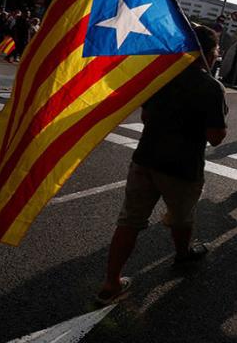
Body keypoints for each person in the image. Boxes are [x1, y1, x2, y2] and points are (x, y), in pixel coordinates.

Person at [96, 25, 228, 305]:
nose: (217, 55)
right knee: (182, 217)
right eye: (216, 50)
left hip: (145, 158)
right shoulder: (211, 88)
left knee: (129, 220)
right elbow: (216, 138)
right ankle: (182, 254)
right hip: (182, 167)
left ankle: (111, 281)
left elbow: (146, 116)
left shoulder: (160, 76)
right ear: (205, 53)